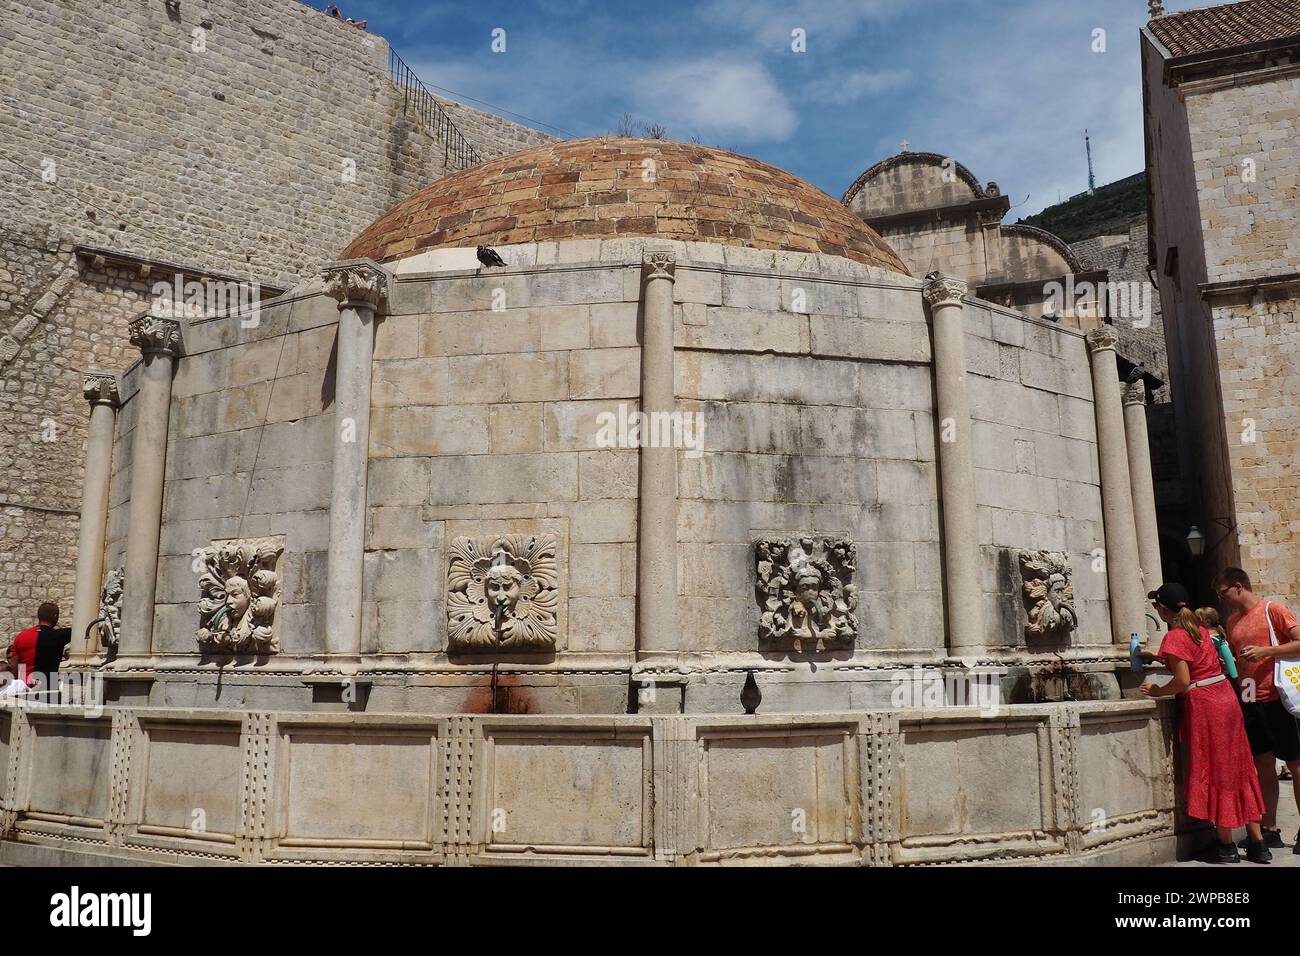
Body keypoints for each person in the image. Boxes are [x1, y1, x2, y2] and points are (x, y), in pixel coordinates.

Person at [1141, 583, 1269, 863]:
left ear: (1163, 609)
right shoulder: (1200, 630)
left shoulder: (1174, 637)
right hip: (1226, 698)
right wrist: (1156, 657)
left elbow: (1183, 681)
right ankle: (1259, 844)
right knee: (1240, 766)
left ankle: (1226, 847)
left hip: (1206, 705)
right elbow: (1198, 661)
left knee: (1217, 769)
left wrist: (1156, 691)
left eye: (1155, 606)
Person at [1215, 567, 1300, 852]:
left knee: (1296, 765)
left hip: (1281, 699)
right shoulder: (1232, 622)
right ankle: (1270, 827)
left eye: (1223, 592)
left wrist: (1267, 652)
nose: (1221, 598)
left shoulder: (1272, 610)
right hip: (1251, 700)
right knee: (1263, 765)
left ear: (1238, 586)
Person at [2, 602, 72, 701]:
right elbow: (80, 630)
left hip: (24, 690)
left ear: (38, 616)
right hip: (48, 690)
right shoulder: (59, 636)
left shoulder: (21, 637)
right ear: (55, 616)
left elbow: (14, 666)